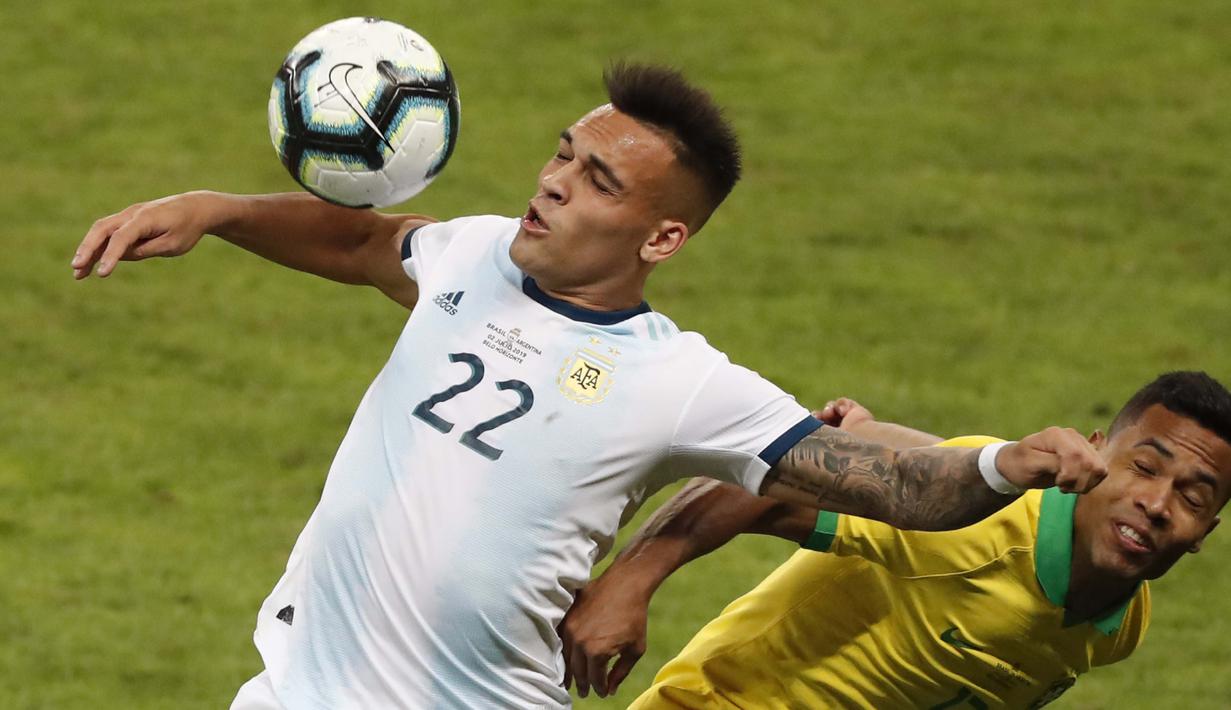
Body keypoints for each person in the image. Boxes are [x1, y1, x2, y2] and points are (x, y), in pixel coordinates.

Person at [72, 63, 1104, 709]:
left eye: (597, 180)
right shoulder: (472, 253)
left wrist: (999, 464)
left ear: (662, 236)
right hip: (297, 689)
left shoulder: (681, 379)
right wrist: (213, 208)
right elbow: (358, 238)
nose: (554, 182)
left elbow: (884, 484)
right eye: (563, 155)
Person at [559, 371, 1231, 708]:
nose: (1155, 504)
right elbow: (753, 481)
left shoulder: (1116, 630)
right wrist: (629, 581)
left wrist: (869, 442)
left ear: (1207, 531)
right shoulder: (985, 522)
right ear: (1093, 452)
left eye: (1192, 496)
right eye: (1143, 467)